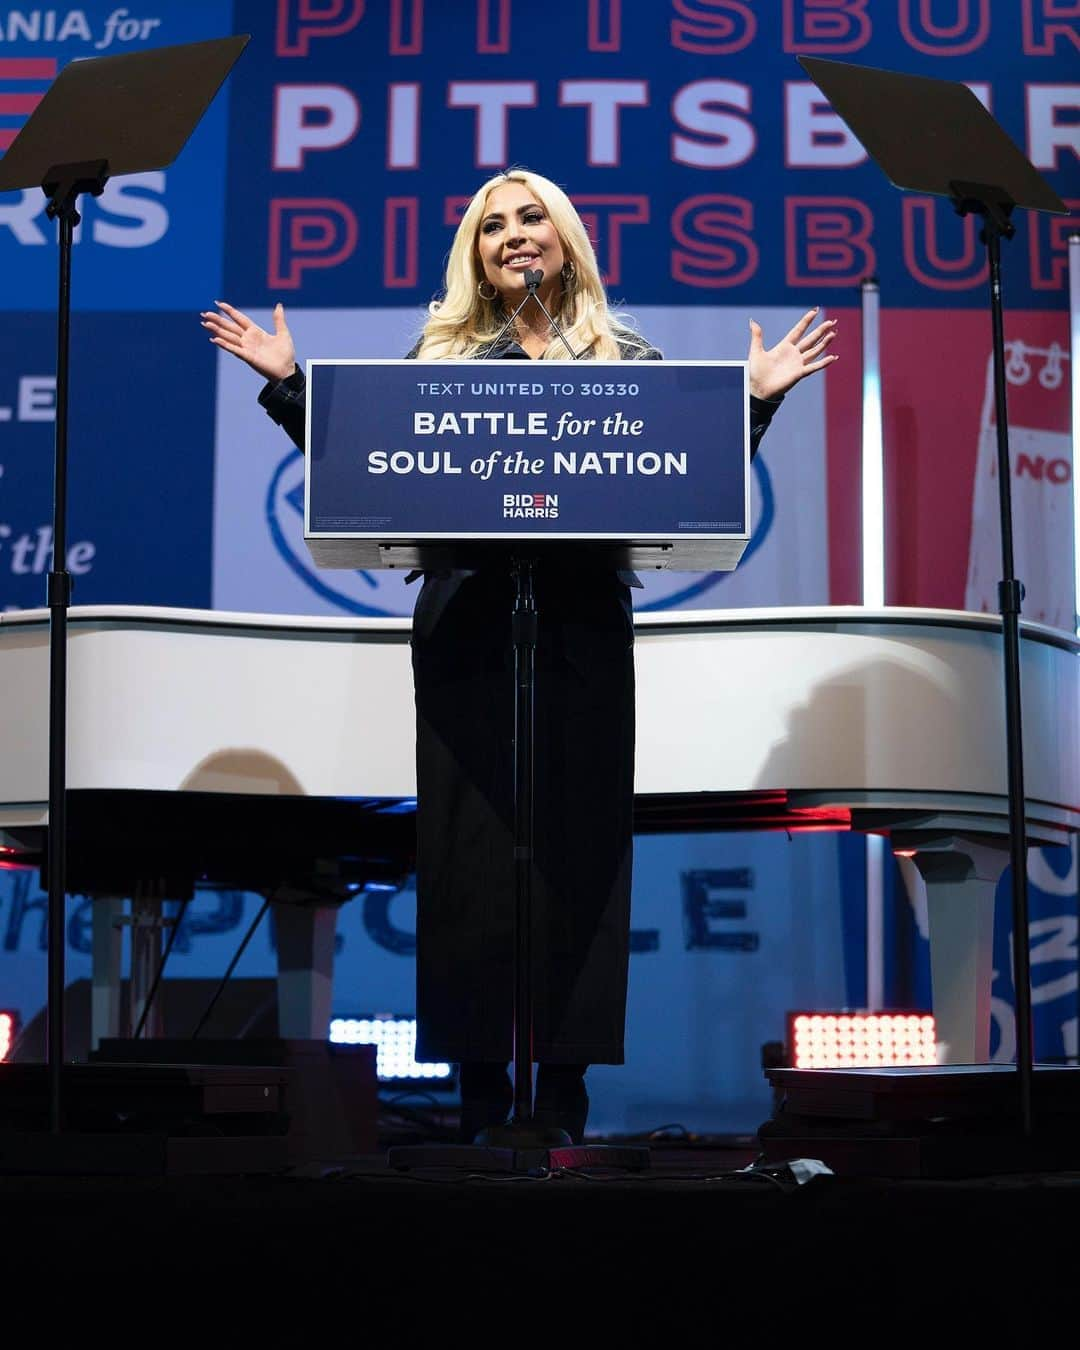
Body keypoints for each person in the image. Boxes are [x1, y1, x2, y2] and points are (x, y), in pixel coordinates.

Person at [201, 168, 837, 1145]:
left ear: (565, 237)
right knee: (469, 868)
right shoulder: (440, 356)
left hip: (581, 631)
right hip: (467, 632)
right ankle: (485, 1107)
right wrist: (292, 387)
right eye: (492, 227)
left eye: (529, 218)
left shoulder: (628, 357)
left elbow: (687, 472)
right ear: (477, 256)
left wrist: (753, 402)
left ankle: (563, 1108)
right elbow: (371, 463)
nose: (512, 236)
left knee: (576, 862)